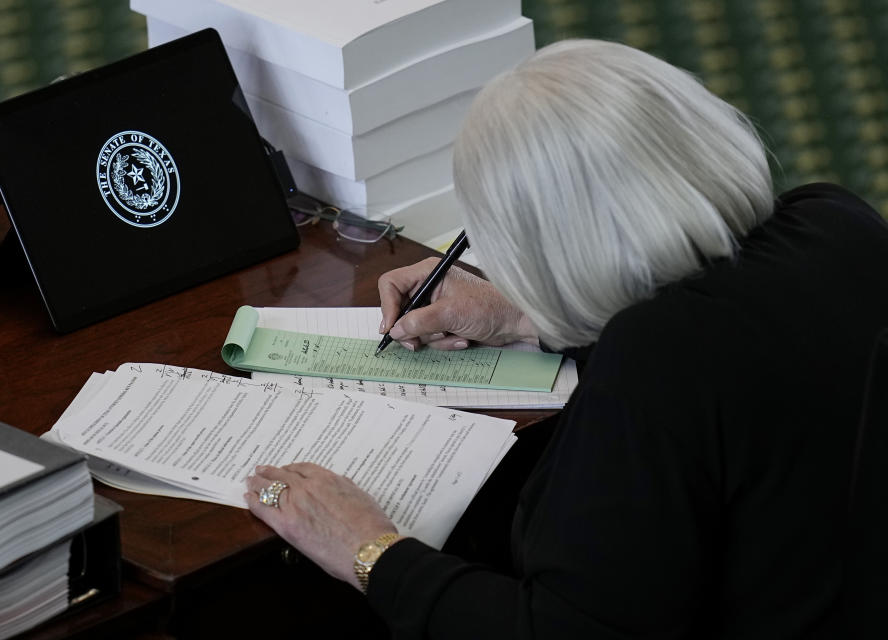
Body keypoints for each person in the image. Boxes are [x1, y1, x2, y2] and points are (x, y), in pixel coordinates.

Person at [245, 39, 888, 638]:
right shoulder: (835, 219)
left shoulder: (655, 361)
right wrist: (527, 318)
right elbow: (735, 344)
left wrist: (369, 552)